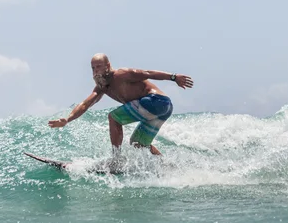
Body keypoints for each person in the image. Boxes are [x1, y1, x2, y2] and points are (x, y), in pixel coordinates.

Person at [48, 53, 194, 157]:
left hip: (157, 101)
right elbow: (86, 104)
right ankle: (164, 166)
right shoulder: (102, 87)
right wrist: (68, 119)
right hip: (164, 109)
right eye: (93, 68)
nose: (95, 70)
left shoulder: (121, 74)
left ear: (108, 66)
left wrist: (174, 77)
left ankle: (116, 159)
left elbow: (147, 73)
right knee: (138, 143)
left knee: (114, 117)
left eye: (99, 66)